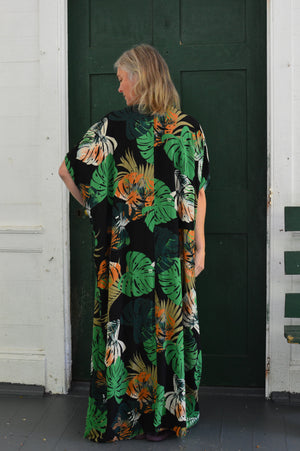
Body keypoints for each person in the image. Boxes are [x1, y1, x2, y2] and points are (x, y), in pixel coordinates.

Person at [59, 44, 209, 443]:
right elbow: (199, 192)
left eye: (122, 80)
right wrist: (200, 247)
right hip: (173, 257)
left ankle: (125, 418)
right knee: (165, 333)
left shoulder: (111, 127)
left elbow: (67, 171)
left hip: (127, 258)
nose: (120, 90)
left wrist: (99, 212)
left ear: (139, 78)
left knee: (127, 333)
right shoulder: (189, 128)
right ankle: (163, 420)